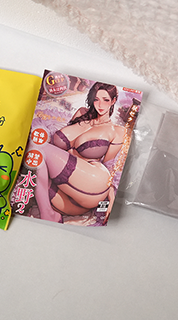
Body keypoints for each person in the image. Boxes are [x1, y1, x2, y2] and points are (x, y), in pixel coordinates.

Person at [31, 82, 125, 223]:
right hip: (67, 195)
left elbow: (109, 166)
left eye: (105, 100)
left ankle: (47, 214)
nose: (100, 105)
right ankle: (50, 213)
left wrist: (111, 198)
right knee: (31, 164)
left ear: (113, 101)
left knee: (37, 148)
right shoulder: (82, 113)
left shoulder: (118, 131)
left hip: (92, 184)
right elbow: (58, 152)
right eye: (96, 99)